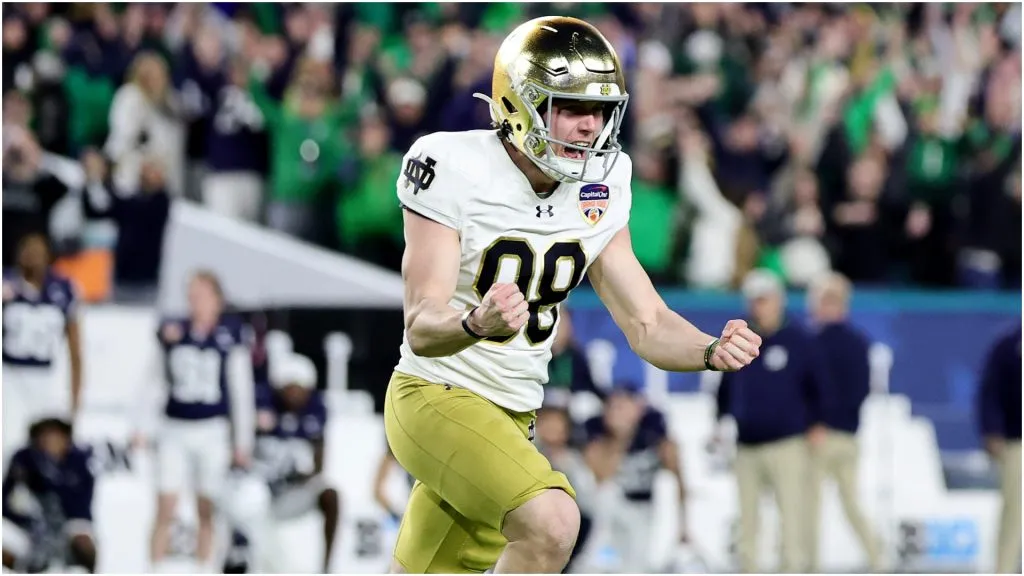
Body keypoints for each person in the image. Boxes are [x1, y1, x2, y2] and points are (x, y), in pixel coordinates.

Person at [383, 16, 762, 574]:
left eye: (601, 111)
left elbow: (648, 323)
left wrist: (708, 350)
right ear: (521, 105)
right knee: (554, 523)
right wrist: (473, 323)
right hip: (436, 394)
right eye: (572, 108)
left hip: (513, 413)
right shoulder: (453, 165)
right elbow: (421, 322)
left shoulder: (604, 183)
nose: (590, 127)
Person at [140, 270, 255, 573]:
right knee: (166, 504)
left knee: (208, 506)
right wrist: (141, 425)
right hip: (174, 427)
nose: (196, 301)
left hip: (212, 429)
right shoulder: (173, 332)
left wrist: (242, 442)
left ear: (217, 299)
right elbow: (154, 382)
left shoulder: (230, 337)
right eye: (192, 294)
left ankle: (204, 568)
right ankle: (155, 568)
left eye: (203, 294)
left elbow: (241, 394)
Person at [714, 269, 829, 573]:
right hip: (747, 444)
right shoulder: (740, 340)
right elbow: (725, 385)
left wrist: (817, 423)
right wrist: (720, 421)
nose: (758, 306)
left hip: (787, 443)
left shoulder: (799, 339)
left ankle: (792, 569)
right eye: (754, 300)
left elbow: (819, 386)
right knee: (748, 521)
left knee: (791, 516)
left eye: (764, 299)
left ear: (778, 300)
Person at [804, 272, 882, 572]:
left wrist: (819, 422)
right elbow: (861, 390)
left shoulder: (813, 341)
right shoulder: (859, 341)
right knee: (851, 503)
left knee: (810, 505)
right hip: (848, 435)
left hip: (820, 436)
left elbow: (811, 390)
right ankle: (878, 559)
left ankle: (810, 567)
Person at [583, 381, 689, 572]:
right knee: (607, 495)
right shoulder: (598, 431)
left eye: (623, 405)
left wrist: (684, 525)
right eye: (614, 406)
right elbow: (601, 478)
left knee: (636, 567)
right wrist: (621, 437)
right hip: (611, 512)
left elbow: (678, 477)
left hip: (645, 509)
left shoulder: (654, 431)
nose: (618, 412)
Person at [249, 353, 340, 573]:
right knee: (250, 497)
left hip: (291, 491)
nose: (295, 394)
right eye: (290, 387)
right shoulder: (261, 408)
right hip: (257, 491)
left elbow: (318, 466)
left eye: (300, 388)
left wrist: (302, 475)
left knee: (330, 494)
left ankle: (326, 567)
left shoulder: (314, 414)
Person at [2, 232, 83, 469]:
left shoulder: (64, 289)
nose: (32, 257)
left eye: (38, 251)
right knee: (8, 444)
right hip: (9, 376)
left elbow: (76, 352)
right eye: (27, 251)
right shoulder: (6, 285)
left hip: (47, 378)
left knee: (49, 449)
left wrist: (75, 402)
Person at [2, 418, 96, 573]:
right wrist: (24, 519)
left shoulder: (79, 461)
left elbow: (82, 507)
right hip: (31, 522)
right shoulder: (25, 459)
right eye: (44, 436)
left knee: (82, 545)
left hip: (68, 524)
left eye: (55, 436)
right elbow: (6, 498)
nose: (49, 442)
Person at [976, 324, 1022, 574]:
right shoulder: (1009, 346)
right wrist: (992, 430)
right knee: (1015, 509)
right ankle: (1004, 569)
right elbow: (990, 390)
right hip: (1018, 441)